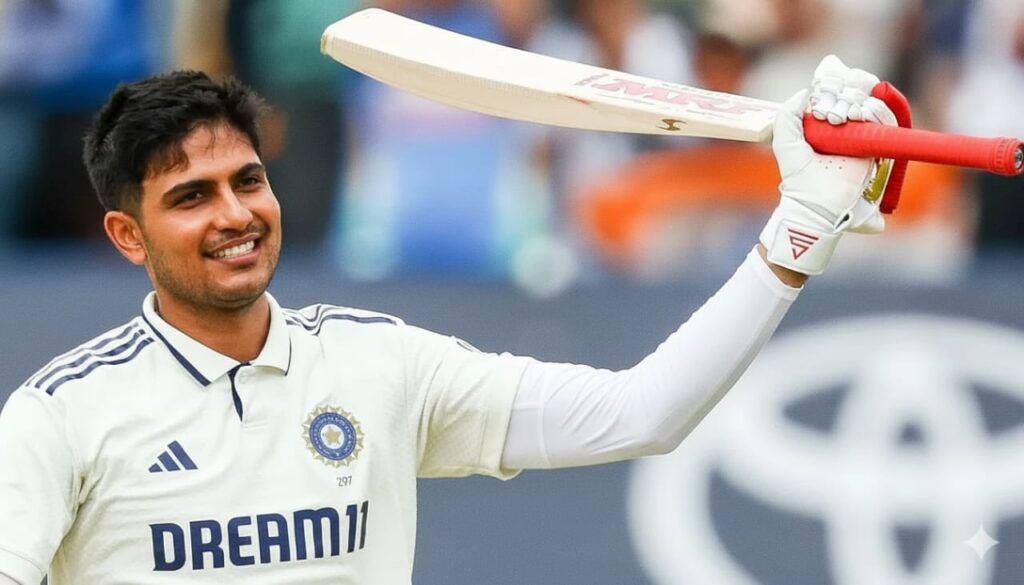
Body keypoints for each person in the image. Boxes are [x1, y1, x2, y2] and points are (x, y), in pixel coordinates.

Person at [0, 54, 894, 584]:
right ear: (127, 235)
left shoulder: (377, 362)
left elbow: (642, 412)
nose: (236, 214)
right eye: (192, 196)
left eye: (248, 181)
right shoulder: (60, 414)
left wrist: (801, 226)